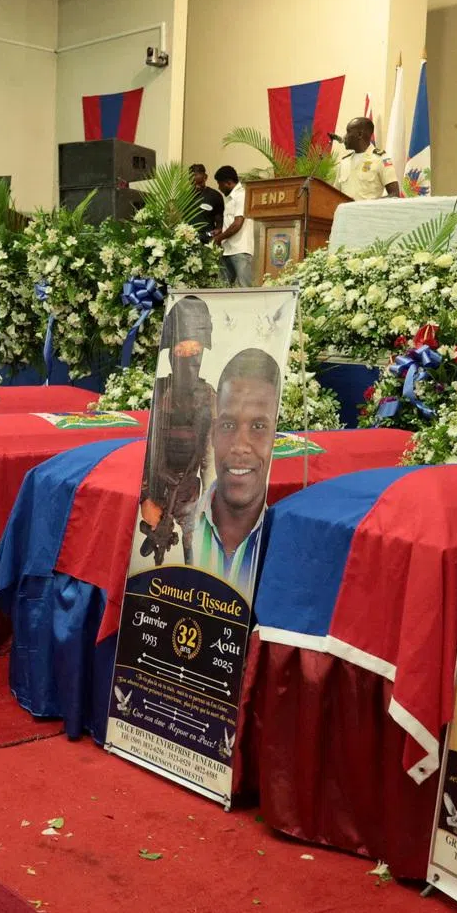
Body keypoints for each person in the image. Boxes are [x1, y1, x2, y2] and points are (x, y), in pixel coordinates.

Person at [190, 347, 281, 605]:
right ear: (212, 433)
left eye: (259, 427)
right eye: (228, 425)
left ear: (276, 436)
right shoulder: (176, 529)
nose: (240, 445)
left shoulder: (285, 540)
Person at [139, 297, 217, 563]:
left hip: (192, 497)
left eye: (194, 351)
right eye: (181, 351)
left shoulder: (208, 396)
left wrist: (209, 503)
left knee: (195, 560)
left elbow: (209, 458)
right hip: (155, 498)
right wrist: (145, 498)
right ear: (171, 352)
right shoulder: (159, 394)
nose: (188, 358)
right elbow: (145, 449)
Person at [336, 117, 401, 201]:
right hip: (345, 213)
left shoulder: (380, 159)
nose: (345, 136)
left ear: (359, 134)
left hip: (368, 213)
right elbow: (335, 194)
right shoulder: (344, 162)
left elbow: (394, 195)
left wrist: (369, 205)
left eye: (348, 132)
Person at [213, 166, 255, 286]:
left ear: (228, 182)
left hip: (240, 249)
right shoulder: (230, 198)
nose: (219, 188)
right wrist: (219, 232)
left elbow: (237, 223)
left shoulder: (241, 195)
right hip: (228, 249)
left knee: (244, 287)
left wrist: (219, 238)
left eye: (219, 184)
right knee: (223, 287)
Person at [189, 163, 223, 245]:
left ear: (205, 177)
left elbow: (219, 226)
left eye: (200, 184)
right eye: (194, 184)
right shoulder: (184, 196)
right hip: (187, 240)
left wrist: (210, 235)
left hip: (207, 239)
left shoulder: (215, 196)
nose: (197, 187)